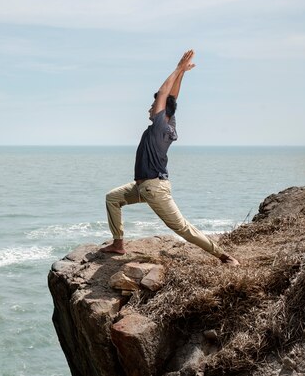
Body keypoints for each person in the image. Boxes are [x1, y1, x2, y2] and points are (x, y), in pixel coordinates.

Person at [100, 50, 240, 266]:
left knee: (181, 227)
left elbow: (164, 94)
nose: (150, 108)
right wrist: (182, 73)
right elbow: (172, 97)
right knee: (112, 198)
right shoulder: (169, 123)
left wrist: (177, 68)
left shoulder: (159, 126)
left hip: (154, 188)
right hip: (142, 187)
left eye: (153, 106)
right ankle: (118, 244)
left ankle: (224, 256)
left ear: (161, 110)